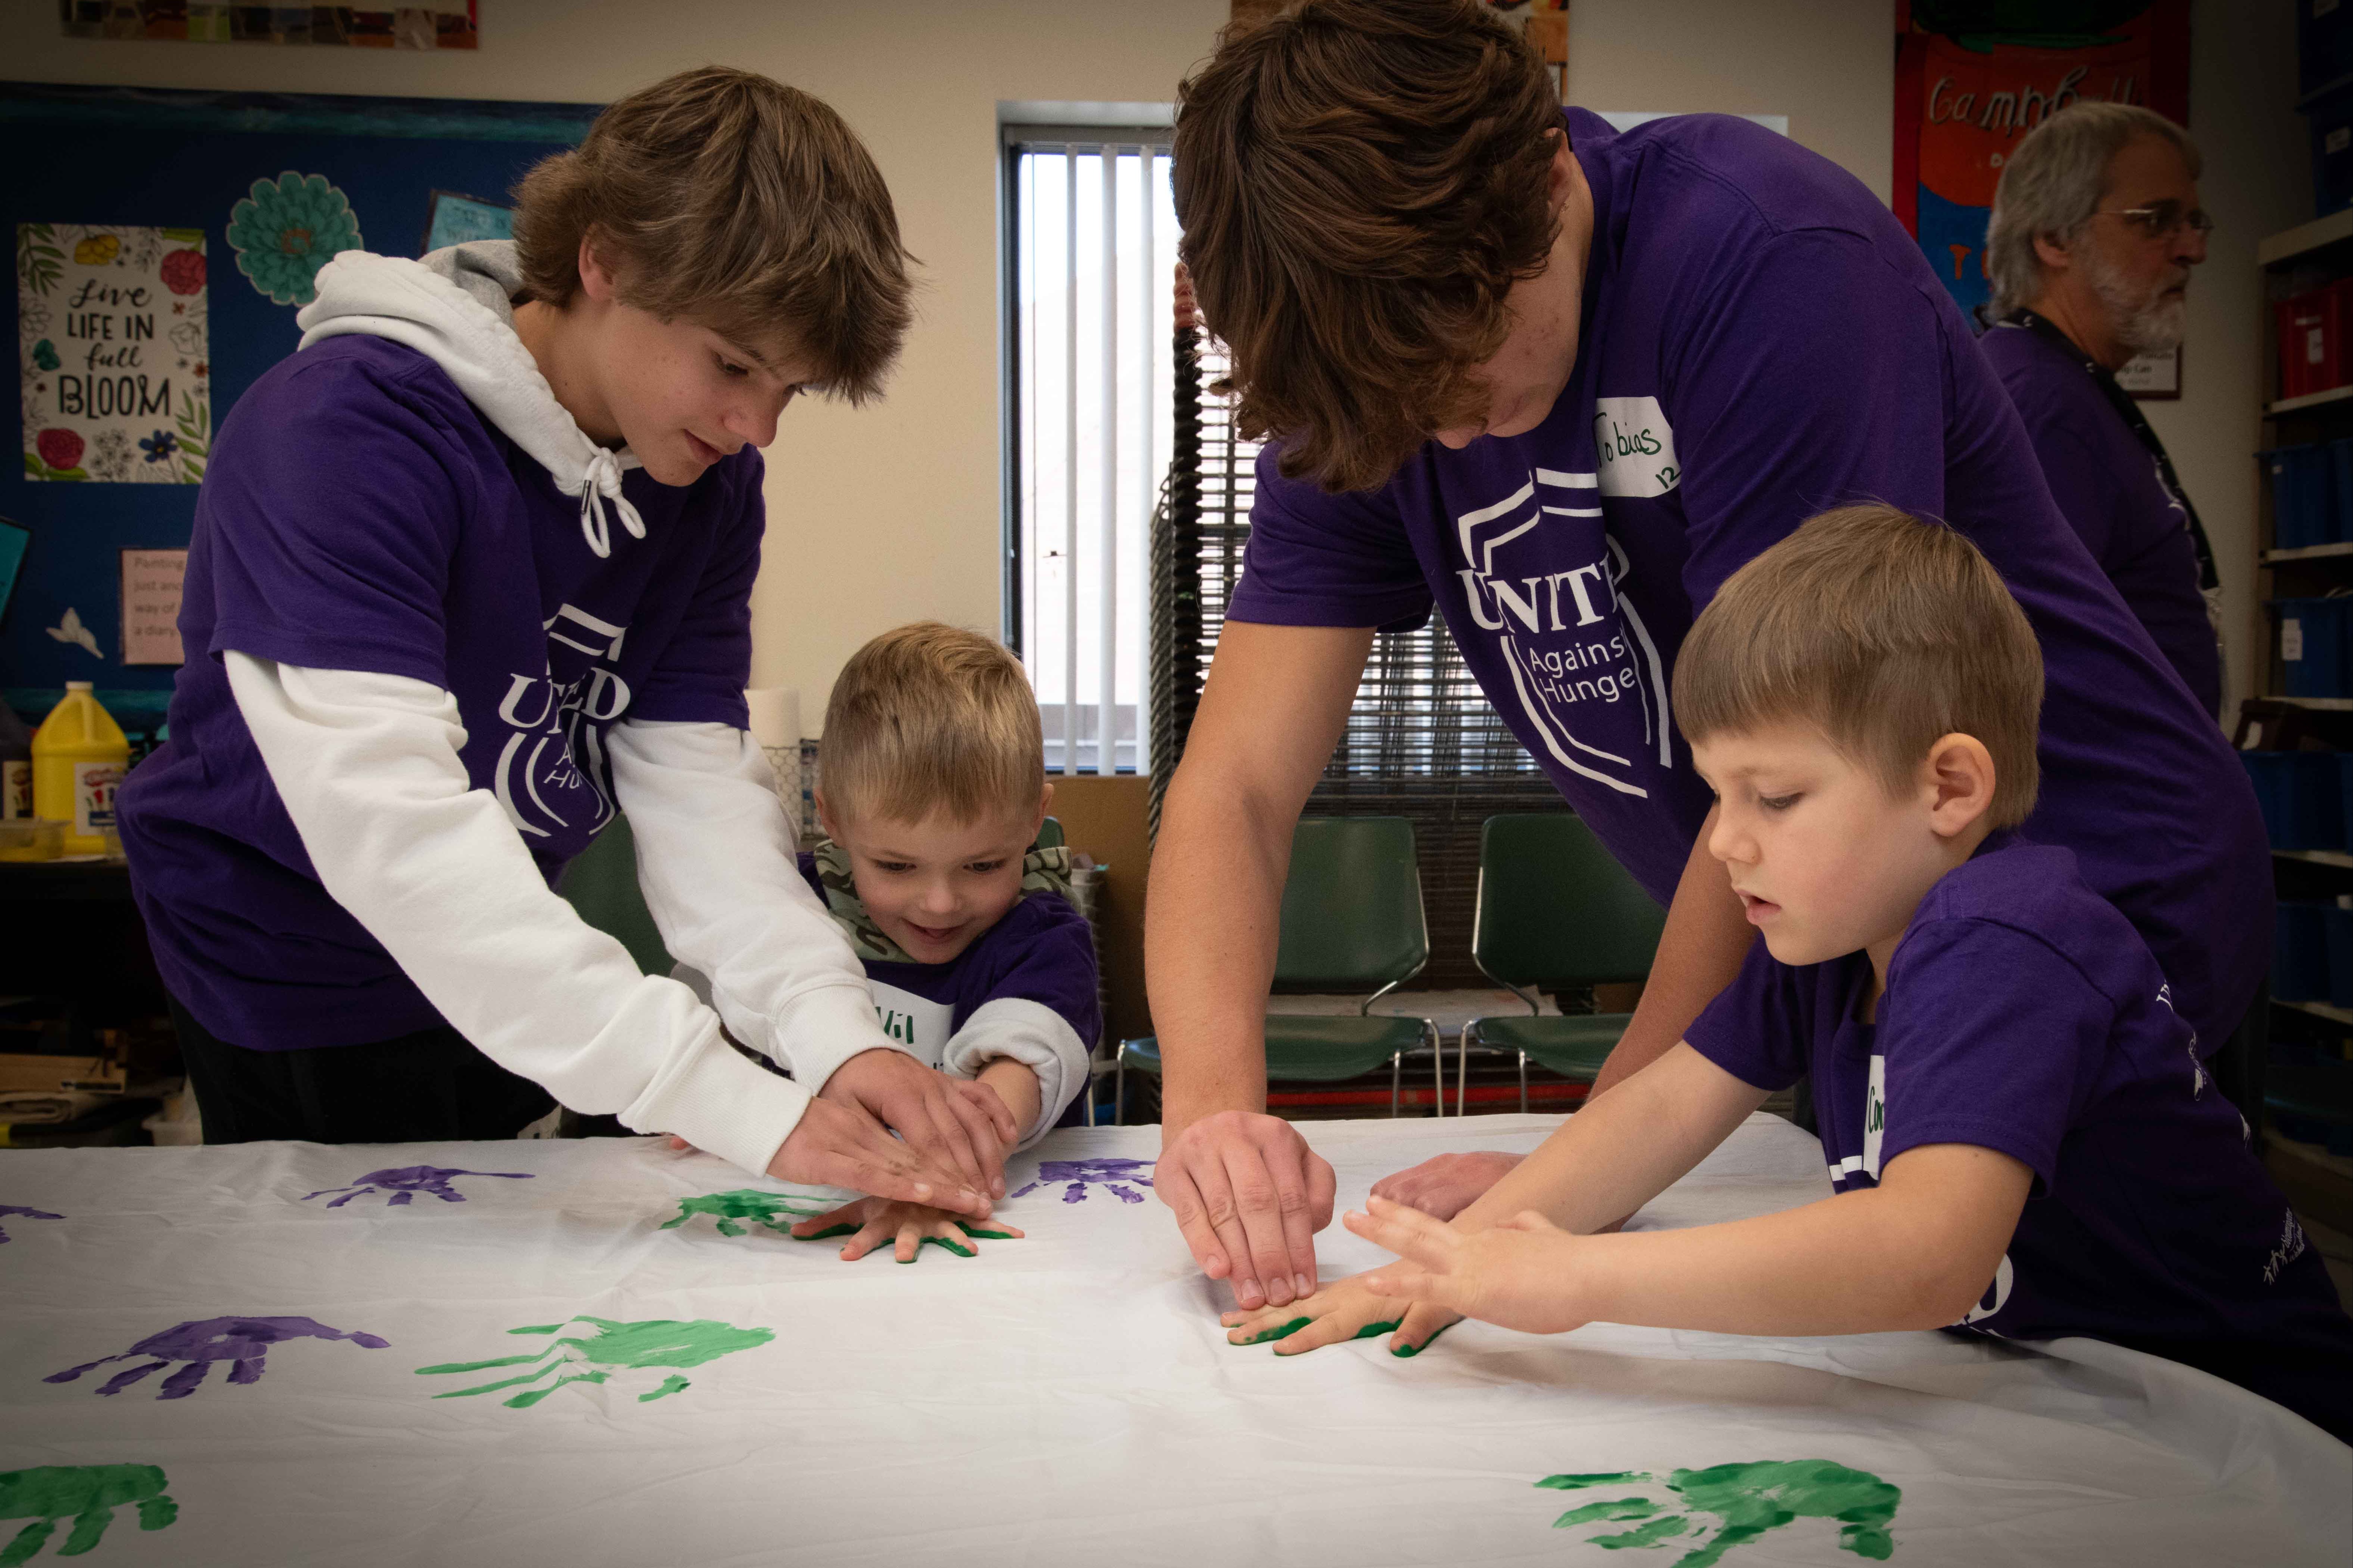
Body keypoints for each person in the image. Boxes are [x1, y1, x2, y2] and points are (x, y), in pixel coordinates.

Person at [1148, 0, 2271, 1315]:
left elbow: (1802, 759)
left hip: (2082, 879)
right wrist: (1212, 1119)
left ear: (1549, 179)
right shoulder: (1364, 357)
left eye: (1466, 375)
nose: (1449, 440)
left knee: (2089, 1342)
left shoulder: (1765, 263)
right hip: (1824, 932)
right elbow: (1235, 789)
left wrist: (1568, 1200)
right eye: (1404, 417)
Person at [1224, 507, 2353, 1444]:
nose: (1723, 844)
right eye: (1716, 796)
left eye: (1773, 798)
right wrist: (1447, 1265)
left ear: (1948, 788)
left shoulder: (2003, 941)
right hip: (2075, 1393)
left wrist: (1578, 1282)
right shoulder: (1828, 934)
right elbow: (1659, 1107)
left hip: (2247, 1416)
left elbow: (1920, 1256)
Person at [114, 68, 1008, 1218]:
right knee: (354, 1294)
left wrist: (833, 1039)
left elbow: (694, 788)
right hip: (289, 961)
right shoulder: (343, 428)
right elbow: (393, 829)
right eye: (734, 365)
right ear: (605, 261)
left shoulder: (705, 484)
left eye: (790, 389)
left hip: (506, 947)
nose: (756, 428)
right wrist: (730, 1101)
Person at [716, 623, 1100, 1262]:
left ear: (1035, 818)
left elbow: (1014, 1078)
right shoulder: (784, 911)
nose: (941, 903)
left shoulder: (1045, 939)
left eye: (982, 867)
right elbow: (717, 1017)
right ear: (831, 817)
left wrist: (931, 1182)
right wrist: (714, 1098)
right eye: (896, 867)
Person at [1979, 102, 2224, 718]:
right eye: (2158, 221)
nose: (2191, 249)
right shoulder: (2039, 407)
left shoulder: (2063, 385)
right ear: (2055, 238)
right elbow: (2008, 674)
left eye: (2194, 221)